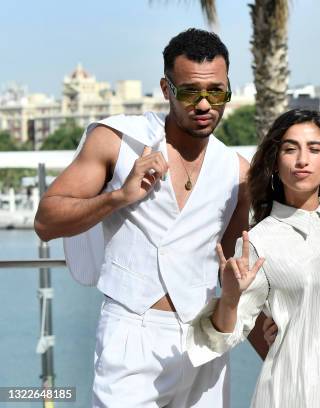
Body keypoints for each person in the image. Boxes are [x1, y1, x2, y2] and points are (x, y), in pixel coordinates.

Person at [34, 28, 265, 407]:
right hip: (132, 336)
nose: (204, 104)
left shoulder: (237, 171)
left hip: (204, 340)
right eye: (190, 92)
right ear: (165, 88)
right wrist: (119, 197)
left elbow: (236, 270)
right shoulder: (119, 141)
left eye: (217, 92)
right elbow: (46, 220)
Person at [186, 109, 320, 407]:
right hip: (295, 390)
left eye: (314, 149)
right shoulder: (259, 242)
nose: (302, 159)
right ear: (276, 162)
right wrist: (228, 298)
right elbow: (220, 339)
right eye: (290, 149)